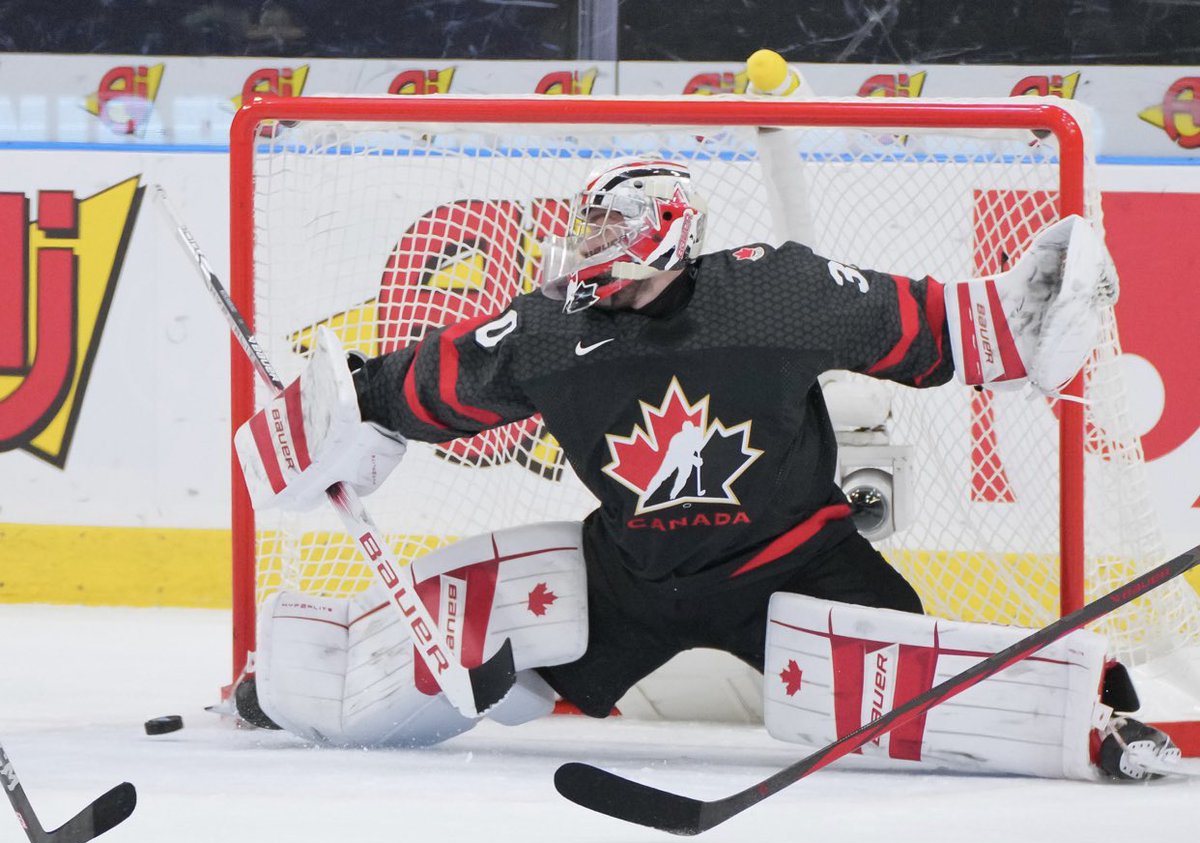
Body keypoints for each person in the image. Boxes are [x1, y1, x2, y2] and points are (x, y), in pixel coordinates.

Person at [234, 156, 1181, 782]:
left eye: (614, 229)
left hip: (796, 565)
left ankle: (1099, 728)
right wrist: (339, 408)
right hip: (630, 578)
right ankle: (285, 683)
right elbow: (423, 390)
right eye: (590, 229)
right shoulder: (549, 329)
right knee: (494, 631)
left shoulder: (778, 292)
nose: (591, 246)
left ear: (668, 228)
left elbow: (943, 332)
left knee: (907, 692)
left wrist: (1038, 310)